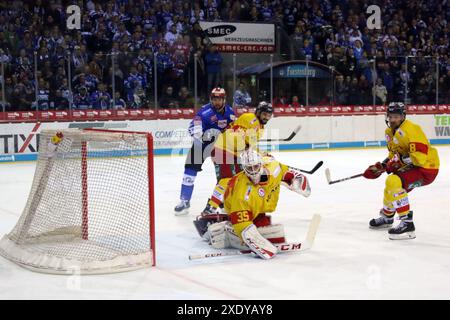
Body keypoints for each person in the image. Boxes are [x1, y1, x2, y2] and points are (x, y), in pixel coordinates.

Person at [193, 149, 311, 259]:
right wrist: (257, 243)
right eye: (249, 168)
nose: (253, 171)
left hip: (258, 208)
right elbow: (243, 225)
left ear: (261, 164)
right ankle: (224, 230)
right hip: (236, 208)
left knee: (275, 235)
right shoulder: (242, 193)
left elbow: (287, 173)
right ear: (244, 168)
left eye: (255, 166)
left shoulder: (273, 169)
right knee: (247, 235)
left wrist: (297, 181)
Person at [363, 102, 439, 240]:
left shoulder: (412, 129)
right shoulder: (389, 132)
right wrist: (382, 166)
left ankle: (407, 223)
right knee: (390, 186)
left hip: (427, 168)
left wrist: (395, 164)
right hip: (415, 166)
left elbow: (419, 158)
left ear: (403, 116)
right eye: (391, 116)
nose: (393, 120)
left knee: (393, 180)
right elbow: (394, 154)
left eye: (396, 116)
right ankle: (387, 217)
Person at [202, 101, 274, 214]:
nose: (266, 117)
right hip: (223, 149)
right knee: (226, 179)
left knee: (238, 178)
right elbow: (240, 136)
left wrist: (261, 153)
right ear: (258, 112)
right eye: (264, 114)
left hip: (232, 152)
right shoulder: (250, 118)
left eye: (269, 115)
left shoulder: (260, 128)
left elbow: (248, 145)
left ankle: (223, 202)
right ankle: (210, 208)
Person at [174, 87, 235, 215]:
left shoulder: (230, 112)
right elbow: (192, 126)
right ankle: (184, 201)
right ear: (211, 100)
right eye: (214, 99)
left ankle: (223, 201)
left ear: (224, 100)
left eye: (219, 99)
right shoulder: (204, 112)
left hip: (220, 147)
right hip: (200, 145)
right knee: (189, 171)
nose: (216, 102)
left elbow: (235, 128)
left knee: (224, 175)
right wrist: (197, 132)